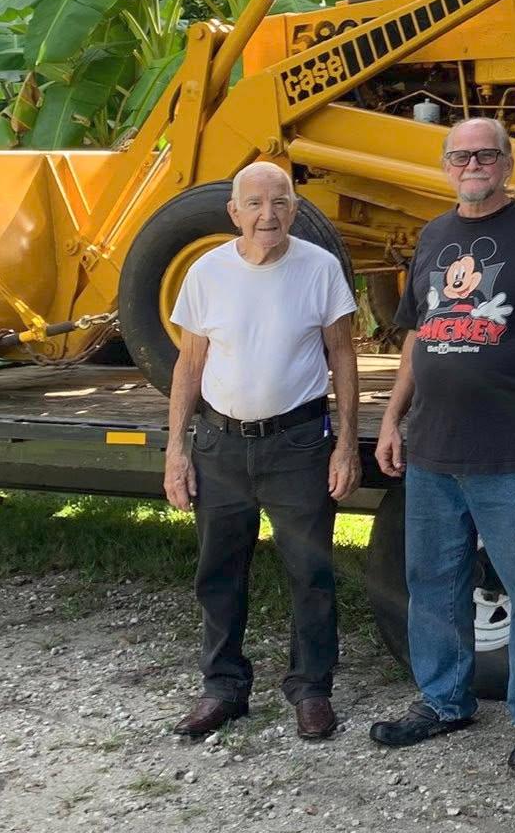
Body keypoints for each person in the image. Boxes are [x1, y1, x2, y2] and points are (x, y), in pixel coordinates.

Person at [371, 116, 515, 771]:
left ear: (507, 164)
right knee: (433, 581)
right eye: (461, 156)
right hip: (433, 447)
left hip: (513, 449)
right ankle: (443, 700)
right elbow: (416, 334)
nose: (473, 165)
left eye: (486, 154)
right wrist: (390, 417)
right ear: (445, 166)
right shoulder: (434, 237)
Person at [162, 162, 361, 742]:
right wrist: (177, 449)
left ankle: (311, 689)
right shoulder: (207, 271)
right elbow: (189, 365)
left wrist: (346, 444)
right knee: (219, 572)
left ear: (295, 209)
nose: (267, 215)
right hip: (220, 445)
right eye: (254, 203)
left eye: (279, 202)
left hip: (298, 444)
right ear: (234, 212)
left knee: (311, 573)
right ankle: (223, 688)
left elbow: (343, 357)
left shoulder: (319, 270)